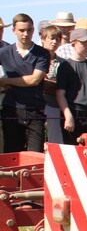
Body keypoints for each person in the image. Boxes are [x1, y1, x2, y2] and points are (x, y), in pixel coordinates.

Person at [0, 13, 51, 152]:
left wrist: (5, 81)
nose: (25, 34)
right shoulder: (4, 52)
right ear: (14, 31)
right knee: (12, 156)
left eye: (29, 30)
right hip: (11, 109)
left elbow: (34, 80)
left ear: (33, 30)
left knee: (35, 157)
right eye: (21, 30)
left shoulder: (42, 53)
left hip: (34, 110)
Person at [54, 27, 87, 144]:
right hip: (73, 113)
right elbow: (60, 94)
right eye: (84, 44)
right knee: (72, 152)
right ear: (73, 44)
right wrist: (68, 116)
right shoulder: (65, 67)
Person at [38, 25, 65, 143]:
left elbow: (63, 85)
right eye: (51, 38)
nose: (54, 42)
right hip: (35, 104)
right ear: (43, 39)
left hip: (54, 104)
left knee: (55, 140)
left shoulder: (62, 63)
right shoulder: (34, 58)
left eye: (57, 39)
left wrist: (48, 83)